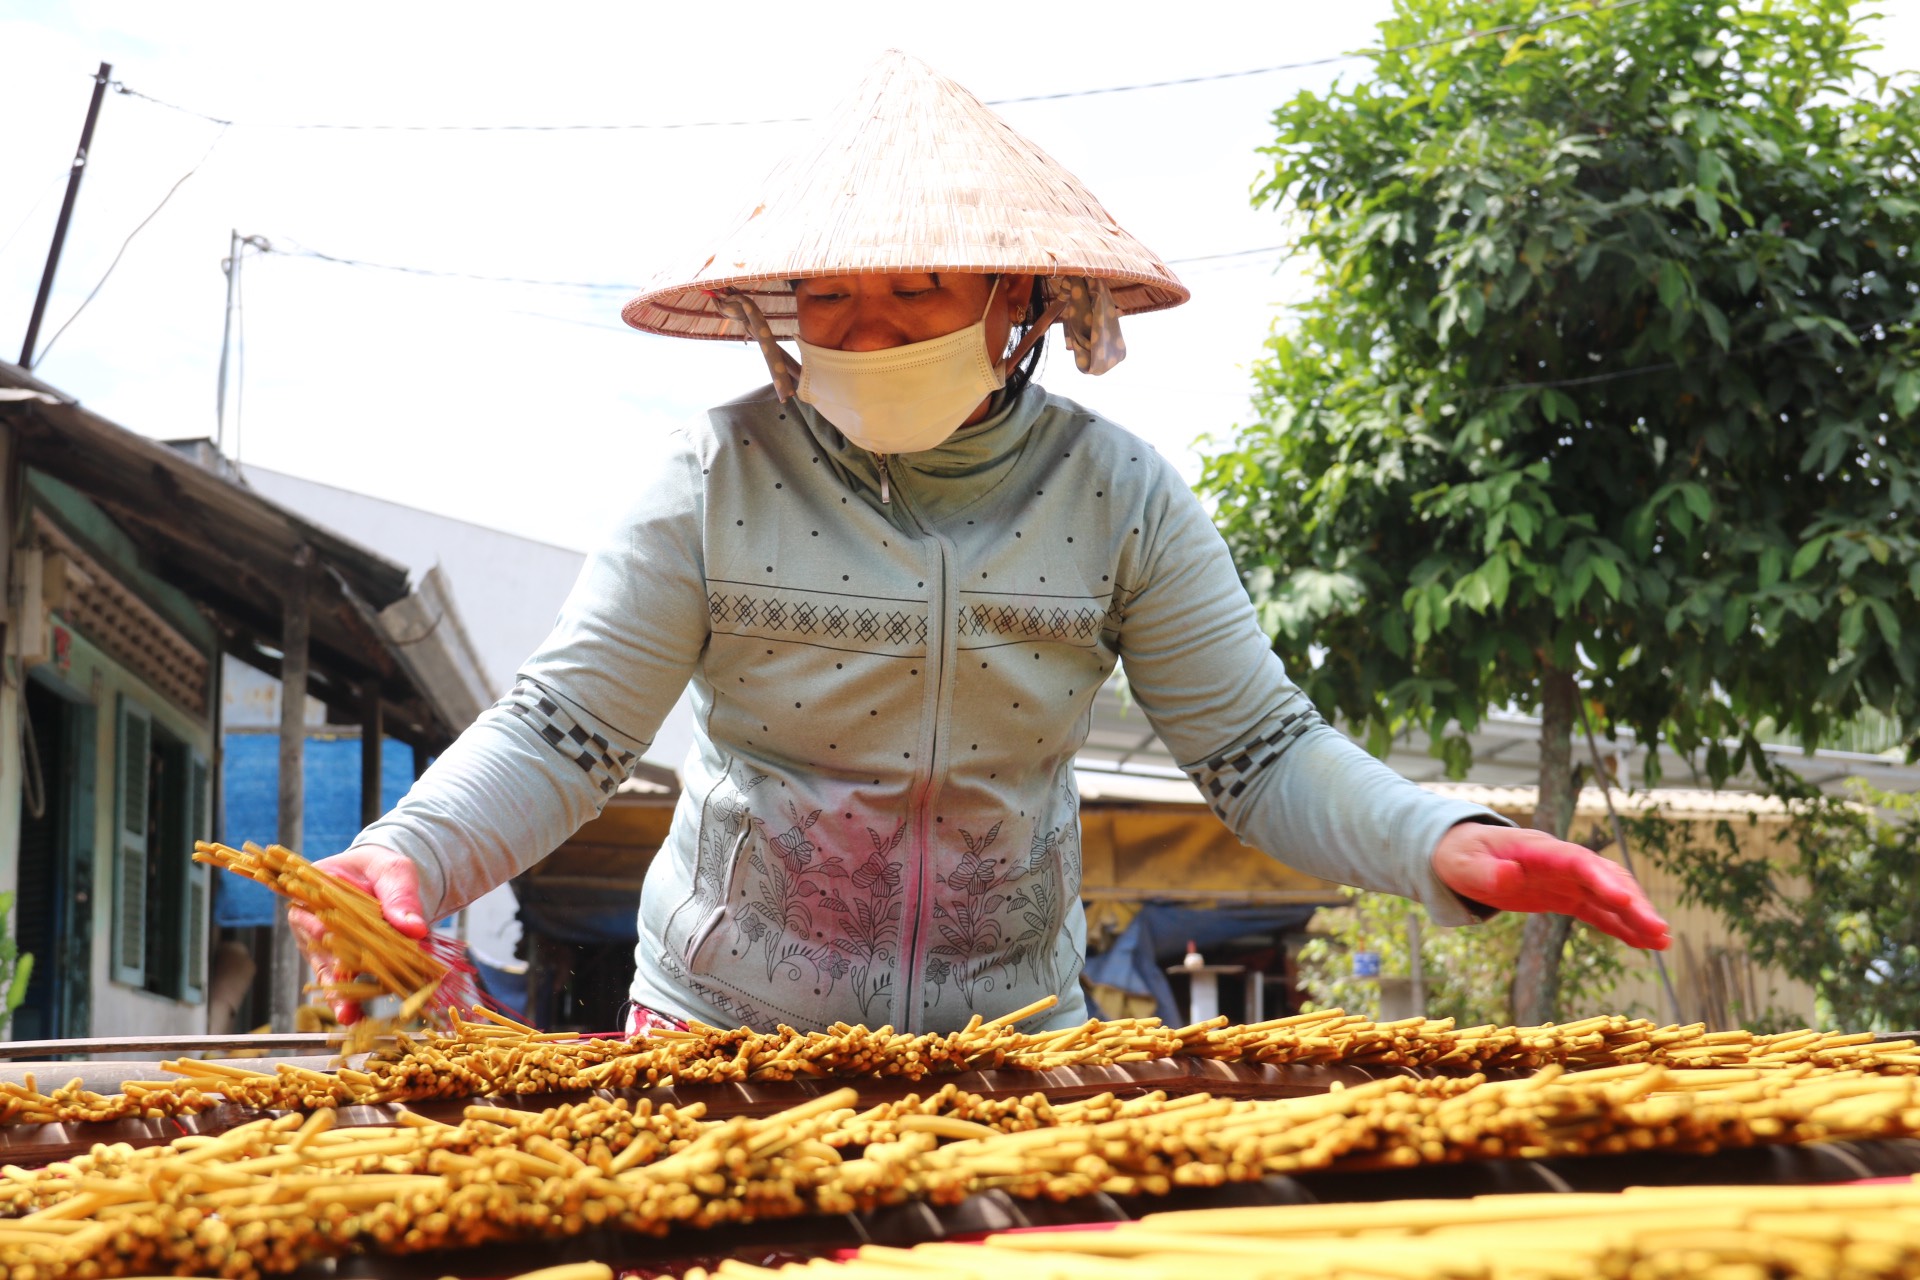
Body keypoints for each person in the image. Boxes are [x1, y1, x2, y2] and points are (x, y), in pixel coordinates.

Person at [294, 51, 1668, 1035]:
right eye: (833, 297)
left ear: (1013, 299)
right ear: (781, 315)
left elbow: (1259, 753)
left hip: (1016, 1052)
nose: (873, 329)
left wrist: (1448, 840)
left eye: (917, 288)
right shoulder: (713, 477)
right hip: (718, 1043)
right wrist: (409, 854)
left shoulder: (1118, 495)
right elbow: (561, 733)